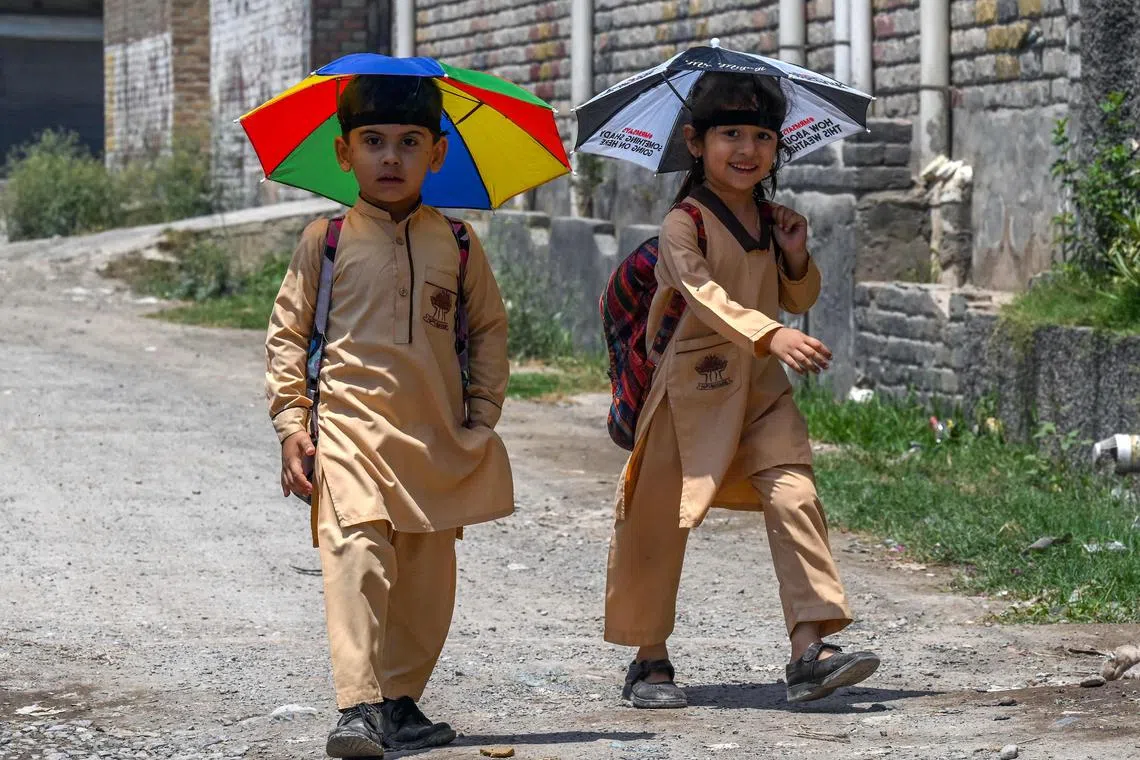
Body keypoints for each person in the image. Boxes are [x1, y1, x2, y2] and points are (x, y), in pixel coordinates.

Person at [604, 72, 880, 707]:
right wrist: (771, 334)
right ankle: (649, 660)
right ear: (696, 143)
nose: (748, 148)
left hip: (760, 392)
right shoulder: (684, 223)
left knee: (796, 497)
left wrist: (796, 253)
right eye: (731, 133)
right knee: (656, 524)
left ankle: (809, 648)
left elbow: (798, 295)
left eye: (762, 135)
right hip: (689, 393)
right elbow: (704, 296)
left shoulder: (770, 218)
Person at [265, 74, 513, 757]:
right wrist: (293, 422)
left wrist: (483, 414)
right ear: (344, 155)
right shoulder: (328, 239)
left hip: (437, 438)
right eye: (373, 142)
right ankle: (358, 706)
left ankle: (400, 702)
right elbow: (288, 334)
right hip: (347, 432)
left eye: (409, 143)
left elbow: (489, 330)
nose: (391, 158)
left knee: (428, 581)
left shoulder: (458, 244)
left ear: (438, 154)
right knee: (357, 556)